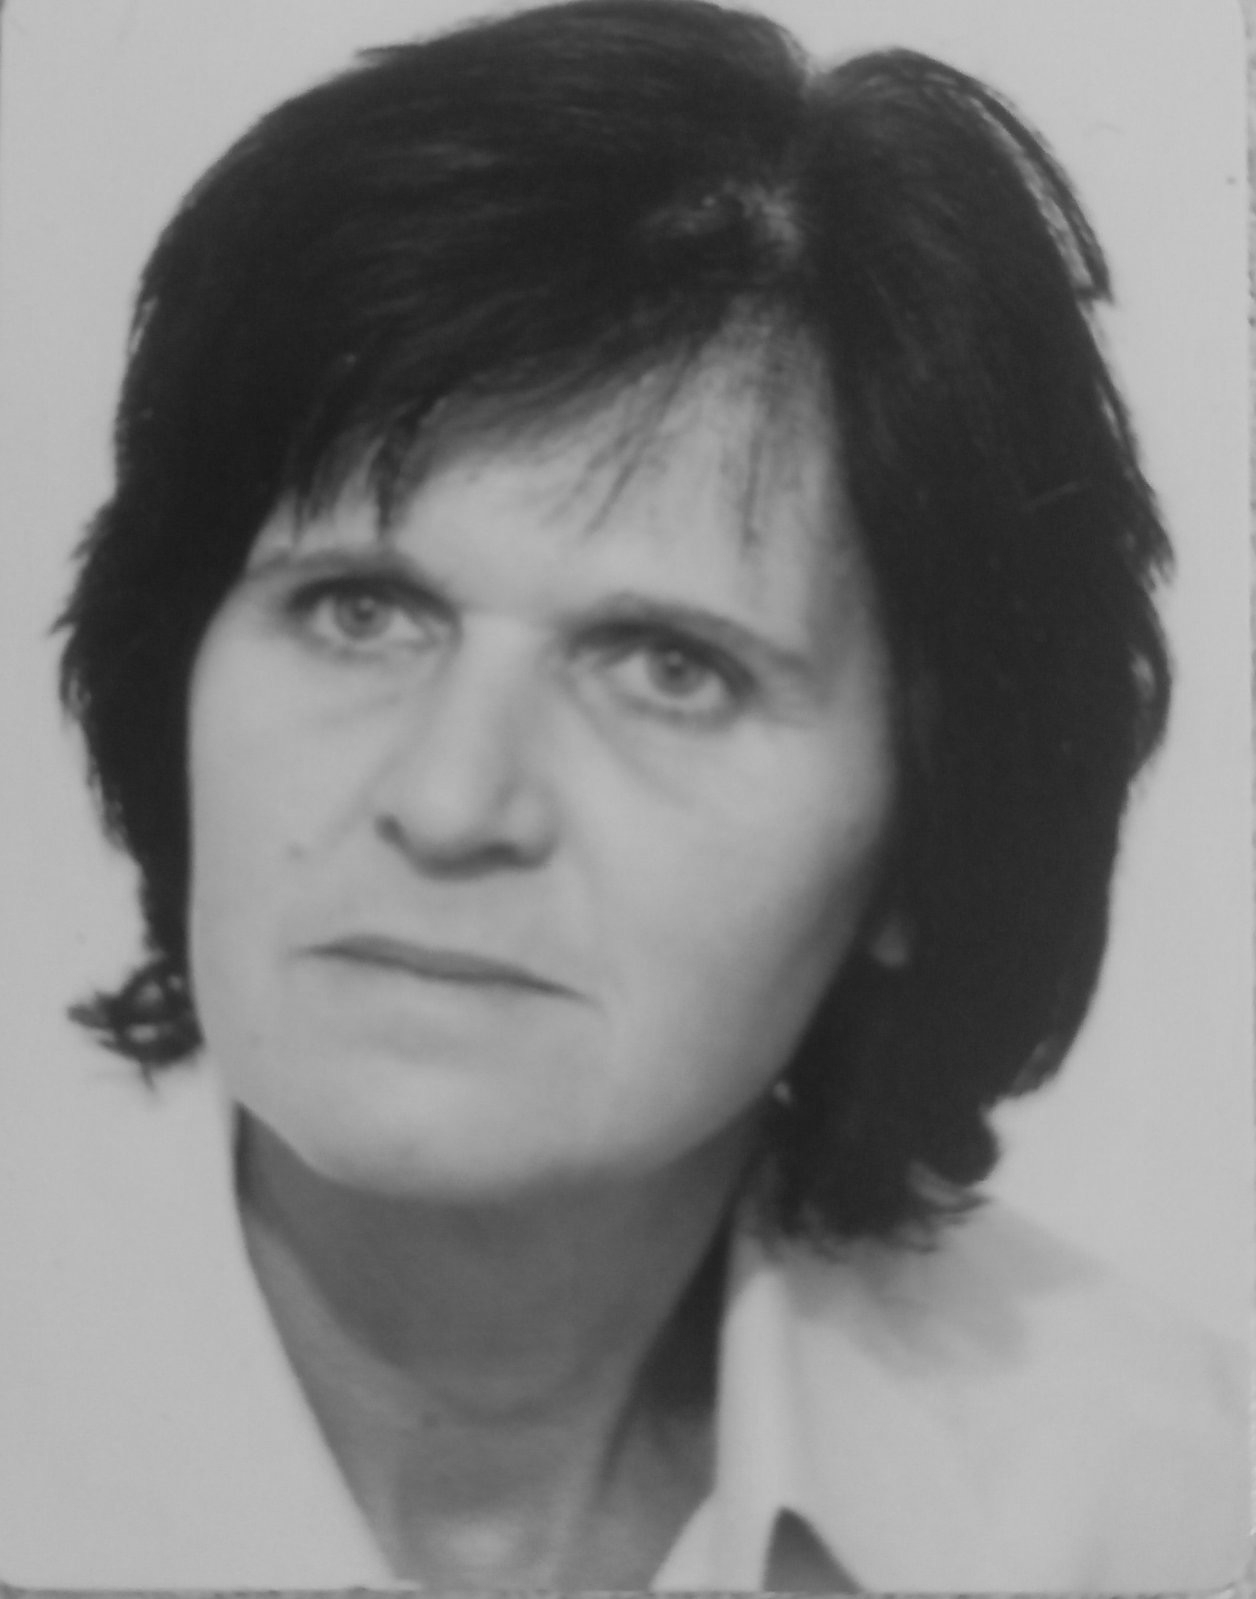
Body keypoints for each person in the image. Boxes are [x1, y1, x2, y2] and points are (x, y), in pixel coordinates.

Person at [5, 0, 1245, 1588]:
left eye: (670, 666)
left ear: (925, 836)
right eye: (360, 610)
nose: (451, 800)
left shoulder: (1165, 1506)